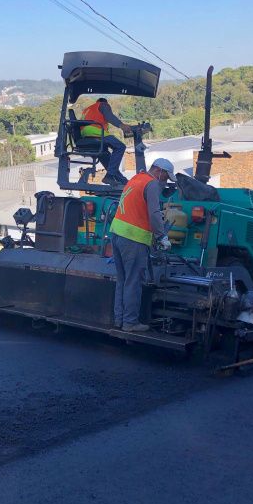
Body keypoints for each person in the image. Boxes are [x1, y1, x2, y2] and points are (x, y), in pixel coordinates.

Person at [109, 158, 175, 332]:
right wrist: (162, 237)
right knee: (133, 281)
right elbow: (154, 213)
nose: (166, 182)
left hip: (117, 234)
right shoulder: (152, 184)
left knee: (122, 280)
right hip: (133, 239)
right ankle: (130, 323)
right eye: (166, 177)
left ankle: (119, 320)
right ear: (159, 171)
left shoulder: (136, 179)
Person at [81, 97, 133, 186]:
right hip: (95, 131)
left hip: (85, 135)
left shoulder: (87, 109)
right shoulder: (102, 105)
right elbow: (110, 117)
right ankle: (109, 176)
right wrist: (122, 126)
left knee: (110, 162)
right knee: (120, 146)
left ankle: (124, 182)